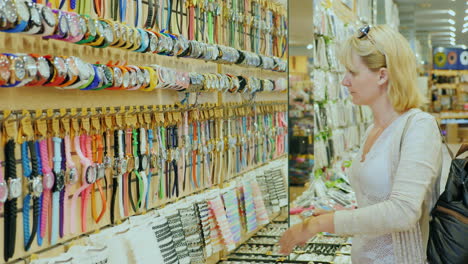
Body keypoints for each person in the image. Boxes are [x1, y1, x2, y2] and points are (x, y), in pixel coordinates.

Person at [279, 24, 443, 264]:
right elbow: (377, 204)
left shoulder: (418, 127)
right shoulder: (372, 130)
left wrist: (321, 224)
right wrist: (341, 215)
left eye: (353, 72)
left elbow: (403, 212)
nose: (345, 81)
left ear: (382, 75)